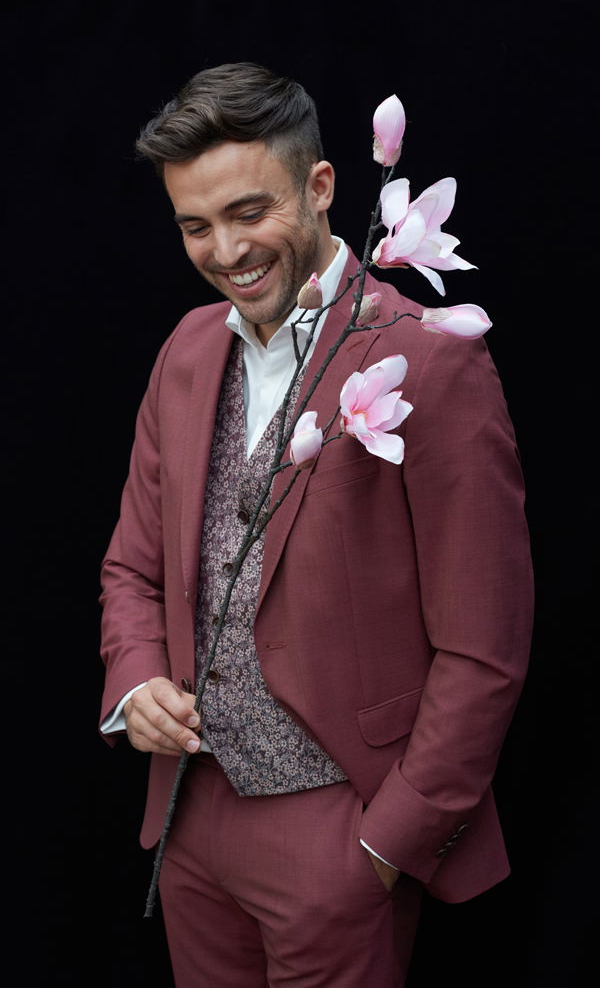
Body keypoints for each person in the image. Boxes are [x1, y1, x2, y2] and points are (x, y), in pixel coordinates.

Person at [99, 62, 534, 987]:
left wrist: (386, 843)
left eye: (249, 212)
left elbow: (485, 645)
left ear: (323, 185)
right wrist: (135, 683)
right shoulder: (184, 351)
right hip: (189, 819)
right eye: (195, 226)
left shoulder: (429, 357)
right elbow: (132, 569)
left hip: (341, 830)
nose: (226, 250)